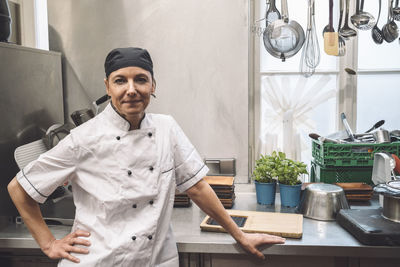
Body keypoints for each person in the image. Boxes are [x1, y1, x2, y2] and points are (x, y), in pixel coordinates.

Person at [7, 47, 285, 266]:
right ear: (107, 87)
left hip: (155, 260)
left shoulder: (167, 129)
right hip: (99, 262)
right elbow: (19, 189)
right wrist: (48, 244)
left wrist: (240, 234)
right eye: (120, 81)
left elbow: (198, 188)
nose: (131, 89)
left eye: (140, 79)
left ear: (153, 85)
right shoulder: (84, 138)